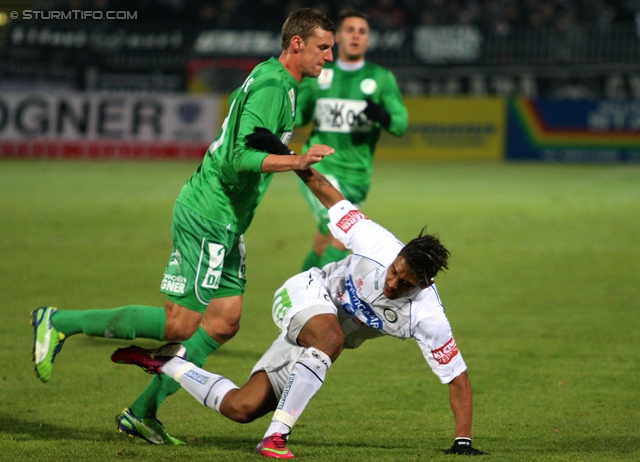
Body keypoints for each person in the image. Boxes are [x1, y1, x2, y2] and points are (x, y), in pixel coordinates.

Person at [30, 8, 336, 445]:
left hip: (228, 219)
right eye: (323, 47)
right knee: (179, 325)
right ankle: (60, 320)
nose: (328, 57)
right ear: (297, 44)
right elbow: (239, 158)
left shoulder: (279, 82)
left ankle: (143, 411)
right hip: (209, 213)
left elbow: (246, 141)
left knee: (225, 321)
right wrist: (297, 160)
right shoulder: (273, 84)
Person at [111, 160, 484, 458]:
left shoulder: (427, 314)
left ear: (424, 284)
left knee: (242, 407)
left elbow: (458, 378)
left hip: (316, 344)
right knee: (332, 337)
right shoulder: (376, 242)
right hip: (305, 294)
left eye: (404, 284)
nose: (392, 284)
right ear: (397, 256)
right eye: (394, 273)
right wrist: (297, 164)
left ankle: (168, 364)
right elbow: (331, 197)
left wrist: (463, 442)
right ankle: (275, 438)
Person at [295, 8, 408, 271]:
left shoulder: (380, 79)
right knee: (340, 233)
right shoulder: (319, 74)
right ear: (337, 39)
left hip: (357, 176)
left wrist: (382, 115)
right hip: (320, 168)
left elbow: (401, 124)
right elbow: (300, 114)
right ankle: (313, 298)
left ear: (368, 40)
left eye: (362, 32)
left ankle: (296, 294)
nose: (356, 36)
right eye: (349, 30)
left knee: (324, 243)